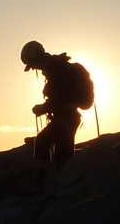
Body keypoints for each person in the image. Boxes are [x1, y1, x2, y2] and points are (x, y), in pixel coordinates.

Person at [21, 39, 93, 169]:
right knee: (52, 146)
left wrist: (42, 108)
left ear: (37, 58)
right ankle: (57, 175)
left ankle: (49, 177)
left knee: (48, 147)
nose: (34, 68)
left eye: (32, 65)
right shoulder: (56, 67)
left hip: (66, 119)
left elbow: (60, 98)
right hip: (67, 119)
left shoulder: (56, 70)